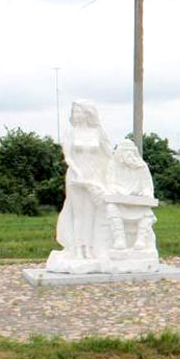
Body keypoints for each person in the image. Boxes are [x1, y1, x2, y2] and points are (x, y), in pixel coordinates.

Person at [56, 100, 111, 261]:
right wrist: (78, 173)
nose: (76, 115)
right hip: (76, 177)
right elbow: (68, 157)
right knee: (79, 214)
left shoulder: (98, 132)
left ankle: (89, 248)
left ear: (87, 113)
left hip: (94, 178)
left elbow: (108, 154)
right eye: (74, 112)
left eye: (79, 111)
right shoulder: (70, 133)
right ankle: (78, 249)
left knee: (91, 214)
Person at [105, 140, 156, 251]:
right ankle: (119, 239)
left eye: (131, 151)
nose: (129, 154)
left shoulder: (141, 167)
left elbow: (147, 186)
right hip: (120, 202)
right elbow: (110, 184)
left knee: (147, 213)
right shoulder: (113, 165)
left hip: (138, 203)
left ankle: (141, 240)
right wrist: (120, 191)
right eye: (125, 151)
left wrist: (146, 193)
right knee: (111, 208)